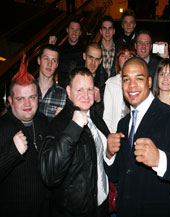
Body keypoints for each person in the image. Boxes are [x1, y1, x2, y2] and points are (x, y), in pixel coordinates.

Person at [104, 57, 170, 217]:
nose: (132, 85)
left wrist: (160, 160)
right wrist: (109, 154)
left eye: (139, 78)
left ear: (150, 82)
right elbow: (117, 175)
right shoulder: (123, 123)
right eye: (126, 79)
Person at [40, 67, 110, 217]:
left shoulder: (97, 120)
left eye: (89, 89)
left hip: (101, 207)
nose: (86, 95)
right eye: (79, 90)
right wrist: (73, 129)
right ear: (68, 91)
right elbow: (49, 175)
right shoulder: (57, 125)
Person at [0, 55, 49, 217]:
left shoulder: (42, 121)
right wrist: (12, 152)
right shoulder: (2, 127)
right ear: (10, 101)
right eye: (20, 99)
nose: (28, 104)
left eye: (32, 97)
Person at [103, 44, 136, 133]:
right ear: (118, 60)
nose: (126, 59)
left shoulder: (139, 83)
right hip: (115, 132)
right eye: (123, 56)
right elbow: (107, 115)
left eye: (130, 56)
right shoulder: (111, 83)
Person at [49, 18, 85, 88]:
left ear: (80, 32)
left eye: (77, 30)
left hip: (79, 90)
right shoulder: (59, 50)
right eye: (72, 29)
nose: (74, 33)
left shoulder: (85, 50)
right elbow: (50, 66)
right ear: (67, 30)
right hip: (62, 89)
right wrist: (51, 46)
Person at [36, 44, 67, 121]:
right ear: (39, 60)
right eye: (46, 59)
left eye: (54, 60)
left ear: (57, 65)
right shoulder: (26, 88)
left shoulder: (63, 94)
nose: (49, 64)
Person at [84, 42, 108, 117]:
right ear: (84, 56)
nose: (93, 63)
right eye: (90, 57)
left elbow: (105, 113)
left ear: (100, 61)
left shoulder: (104, 80)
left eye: (96, 59)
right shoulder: (74, 75)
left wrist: (98, 101)